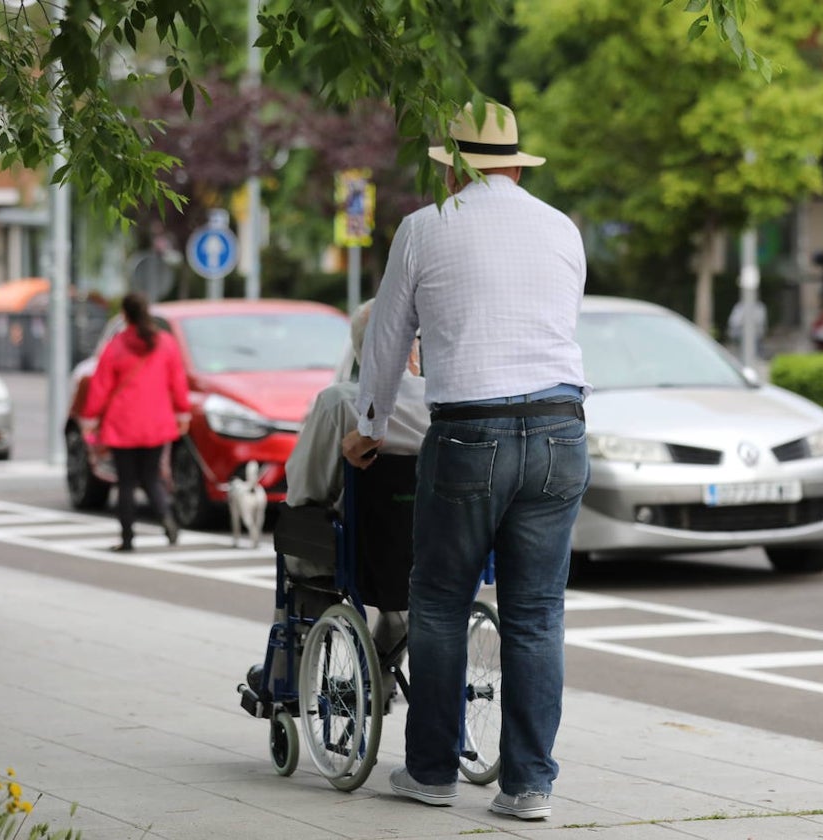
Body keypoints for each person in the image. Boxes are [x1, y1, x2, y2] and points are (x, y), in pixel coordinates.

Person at [342, 101, 589, 822]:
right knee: (538, 613)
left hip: (469, 433)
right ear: (515, 163)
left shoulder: (425, 228)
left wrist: (368, 427)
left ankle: (430, 773)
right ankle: (528, 786)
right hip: (559, 428)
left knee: (441, 600)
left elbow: (387, 339)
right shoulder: (562, 229)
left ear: (453, 169)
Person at [282, 299, 429, 662]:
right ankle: (381, 670)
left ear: (363, 351)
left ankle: (290, 668)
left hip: (360, 551)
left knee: (301, 546)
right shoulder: (442, 405)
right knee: (404, 593)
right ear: (414, 349)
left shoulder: (340, 403)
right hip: (433, 546)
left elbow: (305, 489)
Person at [81, 292, 190, 552]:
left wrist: (90, 417)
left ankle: (128, 538)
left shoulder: (116, 346)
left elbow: (101, 386)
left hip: (123, 423)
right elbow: (178, 382)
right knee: (152, 477)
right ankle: (166, 517)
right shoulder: (165, 343)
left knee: (127, 482)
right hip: (156, 422)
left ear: (125, 315)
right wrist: (182, 413)